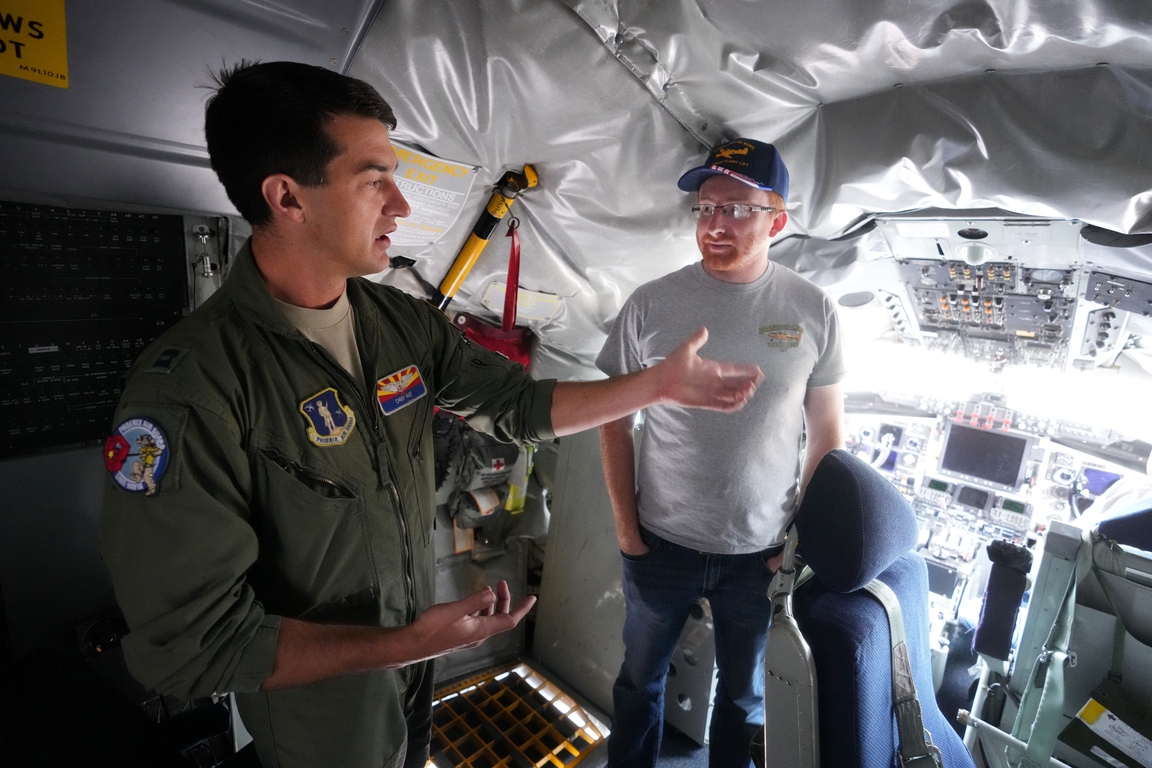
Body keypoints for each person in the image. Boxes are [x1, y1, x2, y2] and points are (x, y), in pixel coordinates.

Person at [99, 62, 763, 768]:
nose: (402, 206)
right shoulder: (193, 391)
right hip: (323, 713)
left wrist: (655, 386)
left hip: (415, 665)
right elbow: (195, 647)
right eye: (373, 179)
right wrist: (412, 643)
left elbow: (516, 404)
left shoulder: (395, 323)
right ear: (288, 198)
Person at [597, 138, 846, 767]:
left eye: (736, 209)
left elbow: (827, 438)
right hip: (659, 544)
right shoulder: (651, 304)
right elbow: (613, 421)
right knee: (638, 685)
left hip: (759, 555)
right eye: (706, 209)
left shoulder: (814, 311)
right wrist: (628, 532)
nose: (715, 225)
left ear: (776, 220)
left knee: (744, 701)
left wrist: (798, 543)